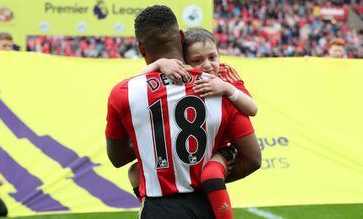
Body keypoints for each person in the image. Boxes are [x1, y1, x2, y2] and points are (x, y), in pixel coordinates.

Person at [106, 5, 261, 219]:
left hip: (158, 208)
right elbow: (253, 159)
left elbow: (117, 157)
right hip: (206, 204)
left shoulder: (123, 93)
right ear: (181, 37)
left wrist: (153, 137)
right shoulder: (220, 87)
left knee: (134, 173)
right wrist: (209, 181)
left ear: (141, 49)